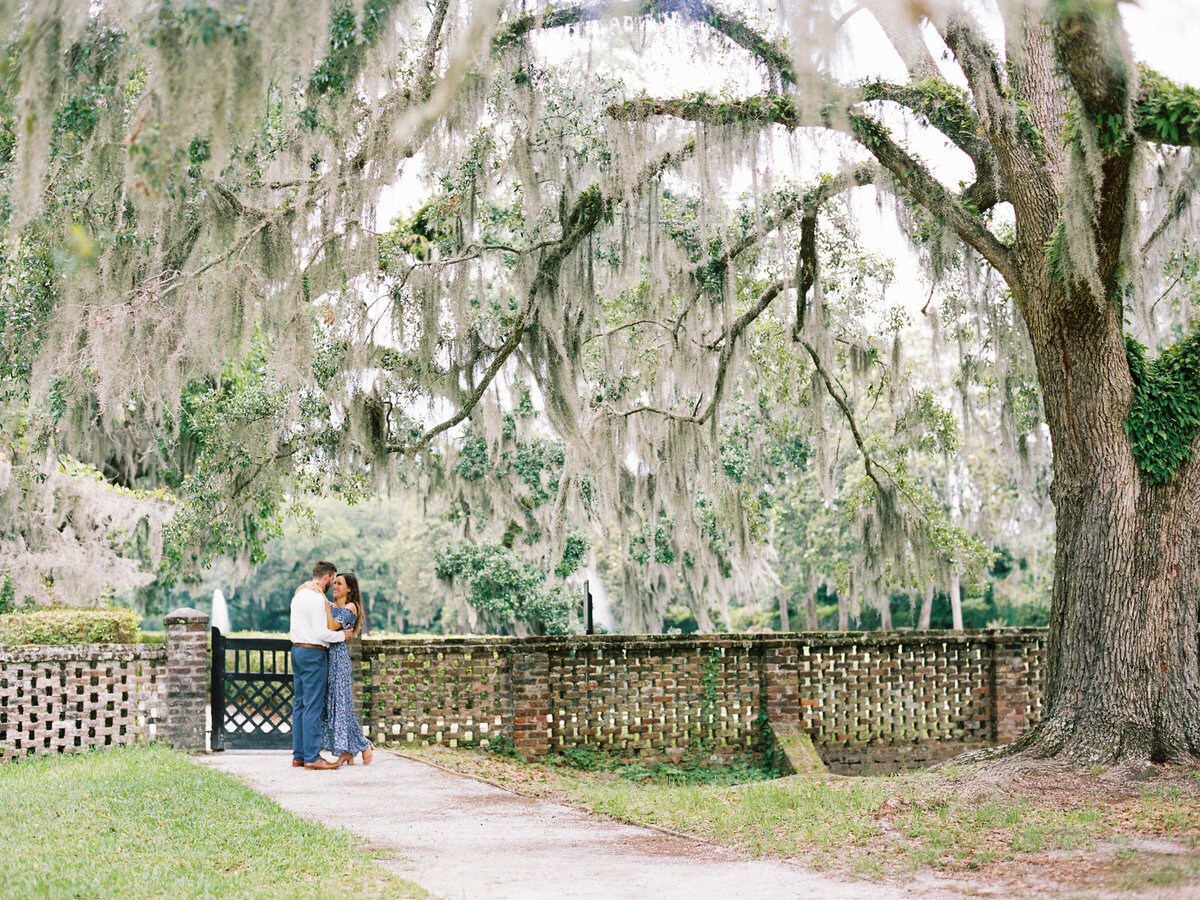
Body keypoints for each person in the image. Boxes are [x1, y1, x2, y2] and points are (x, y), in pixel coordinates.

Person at [289, 560, 346, 770]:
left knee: (300, 705)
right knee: (313, 706)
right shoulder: (316, 599)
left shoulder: (299, 595)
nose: (332, 583)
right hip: (314, 652)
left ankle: (299, 756)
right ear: (327, 577)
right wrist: (343, 635)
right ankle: (313, 758)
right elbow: (322, 633)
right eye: (333, 578)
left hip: (297, 650)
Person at [320, 572, 374, 766]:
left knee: (342, 707)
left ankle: (363, 745)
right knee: (334, 706)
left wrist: (324, 603)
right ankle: (348, 751)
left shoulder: (351, 607)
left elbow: (331, 624)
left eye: (339, 583)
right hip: (328, 658)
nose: (335, 586)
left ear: (349, 588)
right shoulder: (335, 607)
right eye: (334, 583)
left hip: (339, 660)